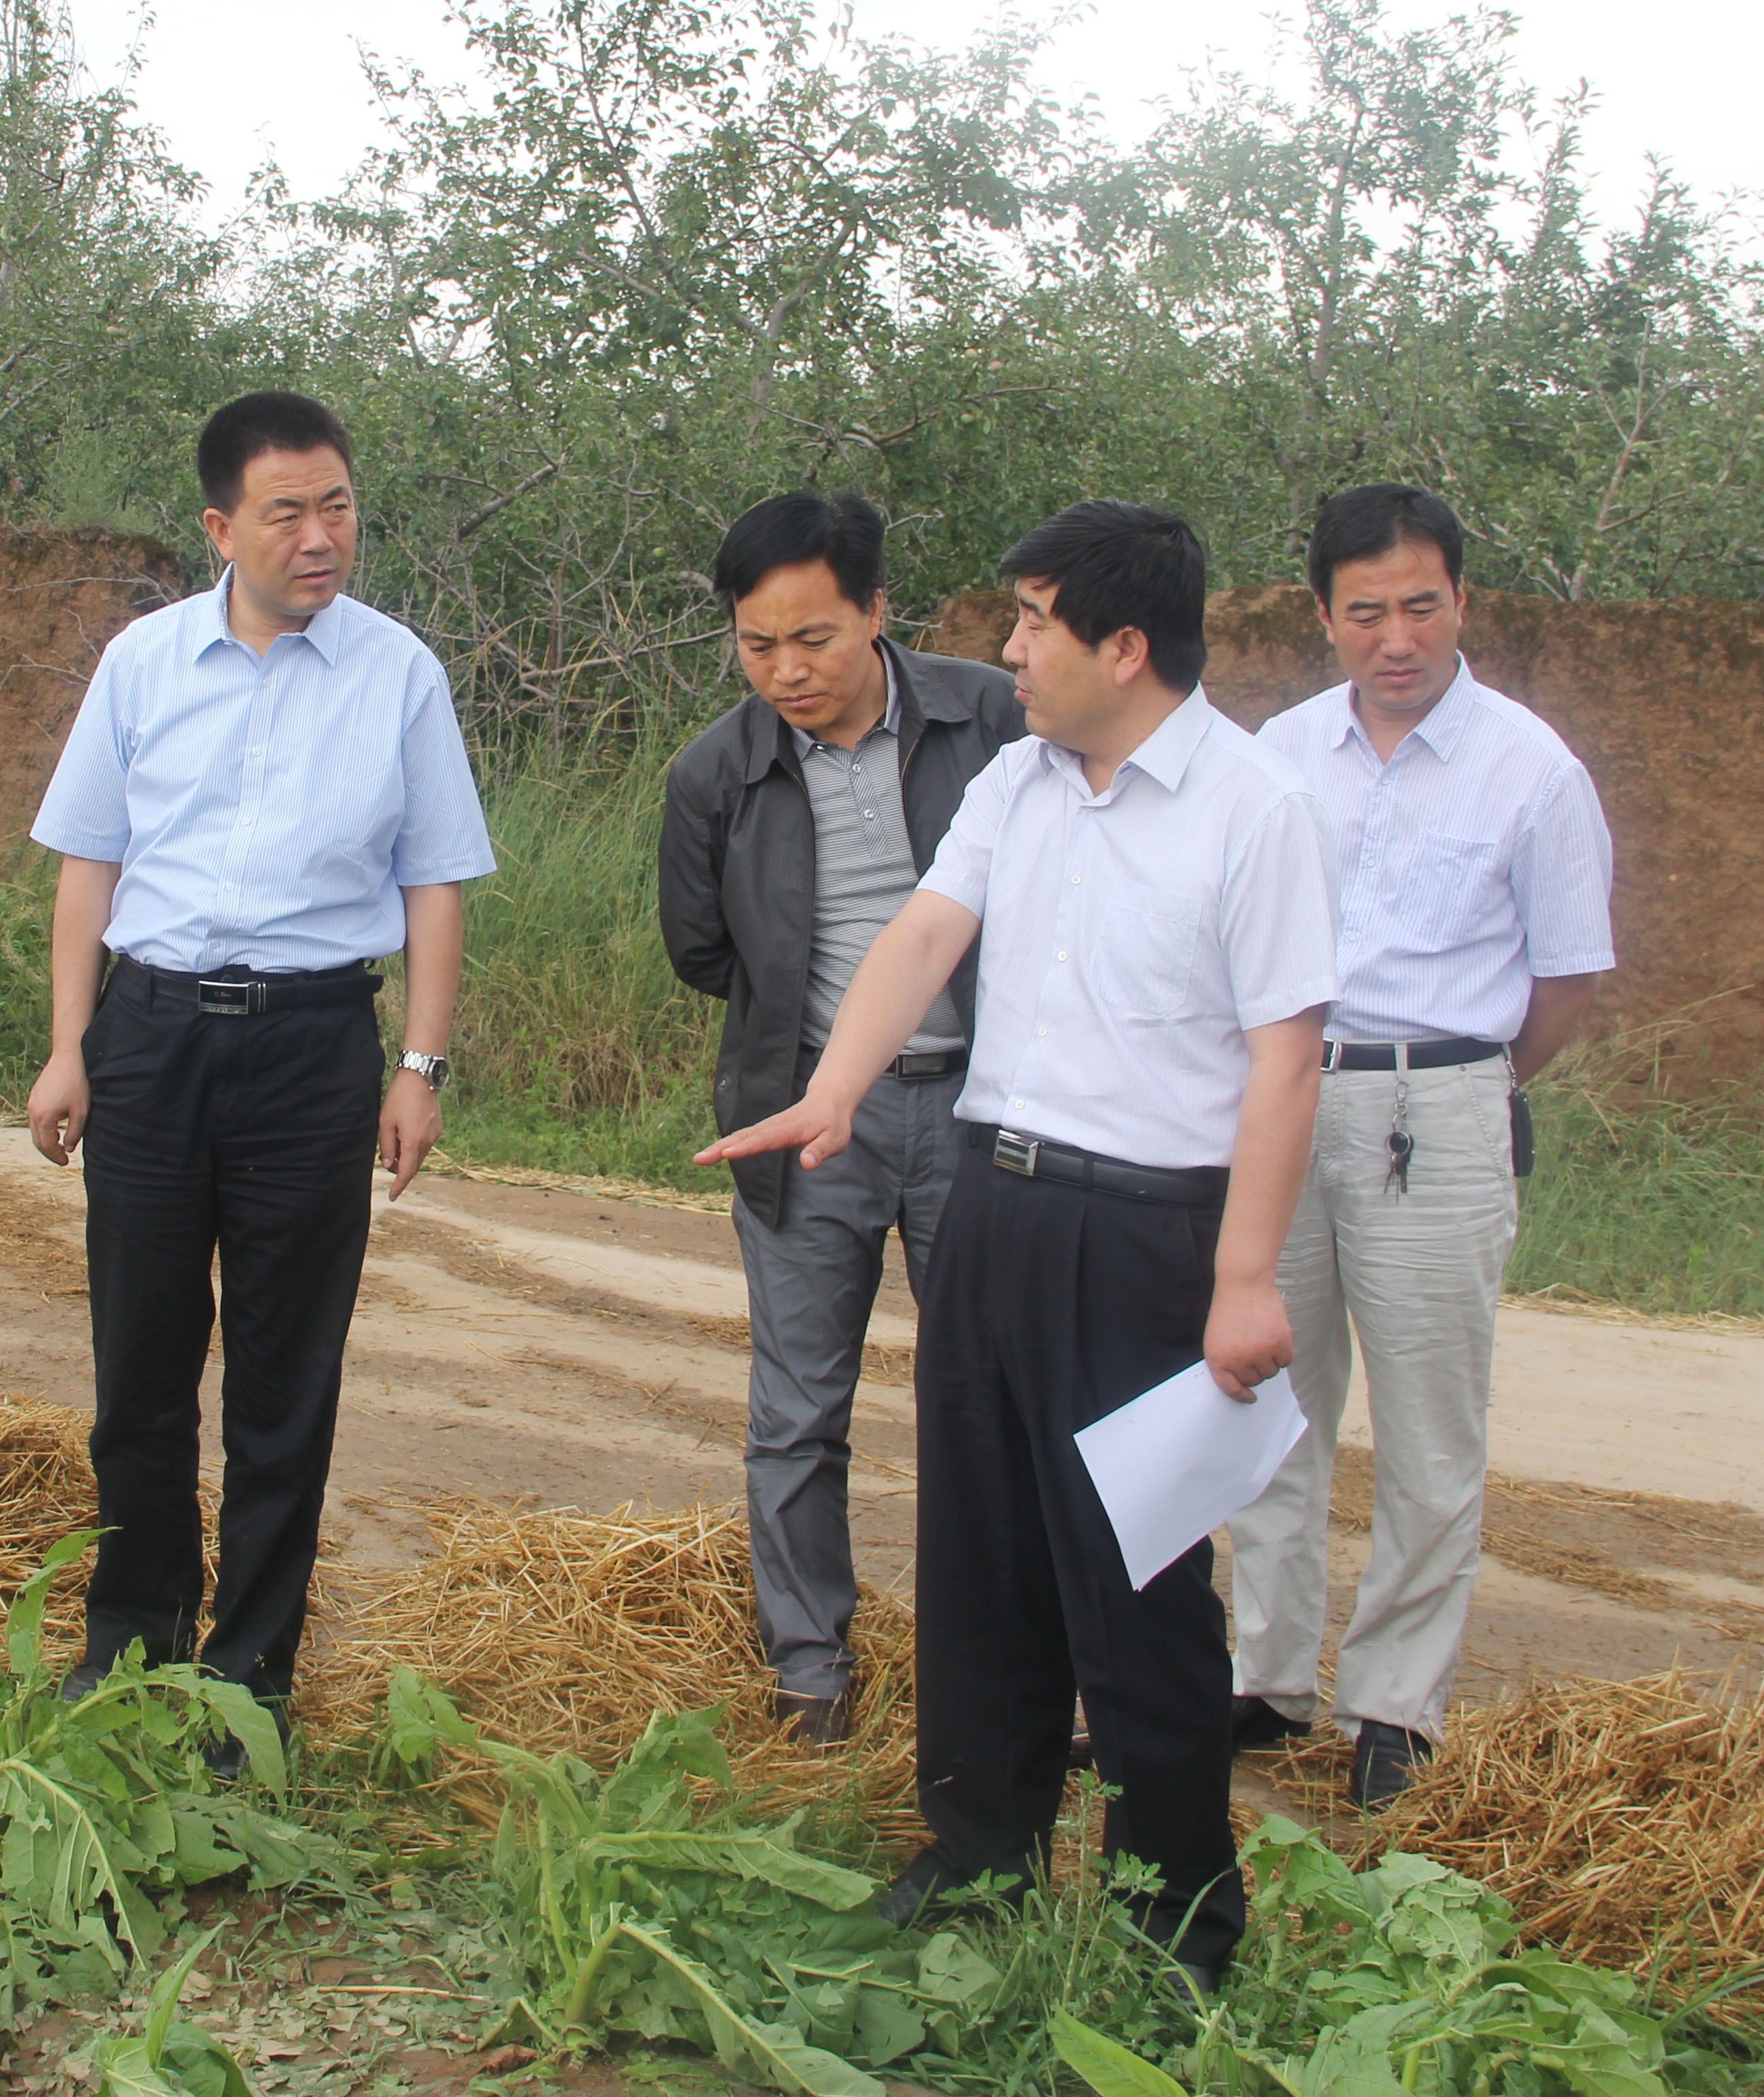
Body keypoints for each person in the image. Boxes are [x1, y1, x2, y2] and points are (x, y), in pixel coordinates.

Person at [703, 500, 1337, 1992]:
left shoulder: (1253, 810)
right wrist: (832, 1093)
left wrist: (1246, 1279)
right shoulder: (1021, 780)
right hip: (995, 1202)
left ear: (1125, 646)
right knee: (980, 1557)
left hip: (1147, 1234)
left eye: (1034, 623)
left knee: (1135, 1586)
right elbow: (923, 937)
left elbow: (1287, 1055)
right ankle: (981, 1852)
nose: (1008, 650)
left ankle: (1175, 1923)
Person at [24, 390, 495, 1737]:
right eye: (287, 512)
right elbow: (89, 866)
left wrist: (421, 1067)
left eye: (337, 505)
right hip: (154, 1035)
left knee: (288, 1381)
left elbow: (436, 883)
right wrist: (68, 1049)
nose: (320, 536)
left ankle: (251, 1676)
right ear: (223, 525)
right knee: (143, 1364)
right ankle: (133, 1633)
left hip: (312, 1051)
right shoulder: (142, 664)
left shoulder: (398, 673)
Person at [1225, 484, 1612, 1808]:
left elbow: (1563, 985)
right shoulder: (1278, 751)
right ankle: (1263, 1679)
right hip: (1287, 1095)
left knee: (1431, 1426)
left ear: (1464, 603)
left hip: (1438, 1105)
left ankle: (1394, 1708)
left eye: (1423, 605)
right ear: (1324, 615)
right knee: (1273, 1398)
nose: (1398, 637)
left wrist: (1461, 1081)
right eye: (1368, 611)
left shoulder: (1532, 770)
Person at [658, 492, 1025, 1746]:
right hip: (808, 1118)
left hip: (986, 1109)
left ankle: (1007, 1657)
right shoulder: (716, 770)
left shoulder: (993, 719)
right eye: (757, 646)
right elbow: (703, 952)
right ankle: (810, 1664)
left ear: (878, 612)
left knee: (994, 1398)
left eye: (813, 638)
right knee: (798, 1405)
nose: (785, 672)